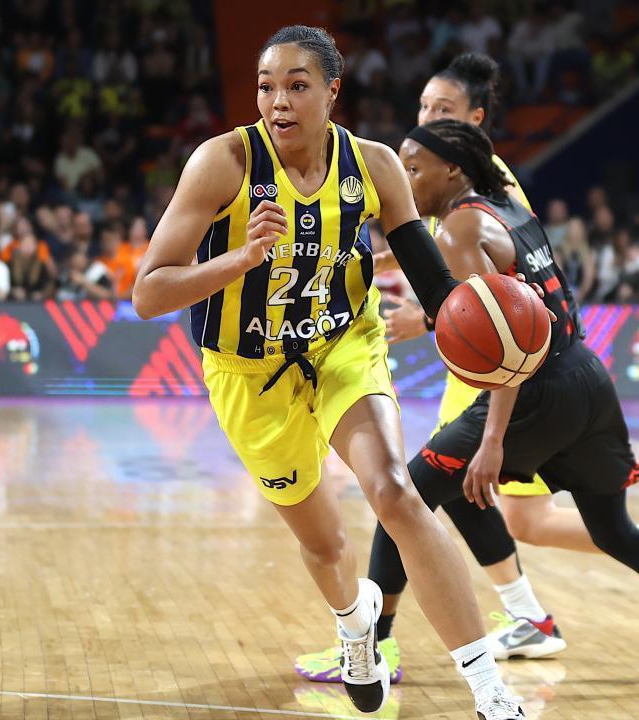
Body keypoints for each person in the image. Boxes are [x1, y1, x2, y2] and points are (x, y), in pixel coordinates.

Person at [133, 26, 525, 719]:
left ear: (332, 93)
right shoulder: (222, 162)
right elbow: (149, 293)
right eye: (265, 85)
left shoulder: (374, 166)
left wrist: (493, 321)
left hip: (343, 346)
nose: (276, 101)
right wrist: (240, 261)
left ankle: (490, 690)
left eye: (296, 85)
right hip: (247, 371)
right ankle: (354, 624)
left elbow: (438, 291)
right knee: (325, 546)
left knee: (397, 493)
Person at [296, 55, 639, 685]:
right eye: (423, 108)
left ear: (470, 126)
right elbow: (423, 247)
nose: (426, 121)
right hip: (543, 371)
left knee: (430, 498)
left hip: (512, 376)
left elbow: (492, 307)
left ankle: (387, 645)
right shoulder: (461, 191)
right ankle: (538, 612)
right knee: (477, 502)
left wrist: (429, 321)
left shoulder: (480, 201)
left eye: (441, 113)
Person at [375, 118, 639, 689]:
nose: (403, 176)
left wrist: (493, 440)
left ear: (452, 168)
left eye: (414, 166)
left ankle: (374, 650)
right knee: (614, 531)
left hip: (532, 391)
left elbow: (504, 347)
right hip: (586, 379)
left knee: (402, 496)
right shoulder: (507, 210)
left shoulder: (459, 232)